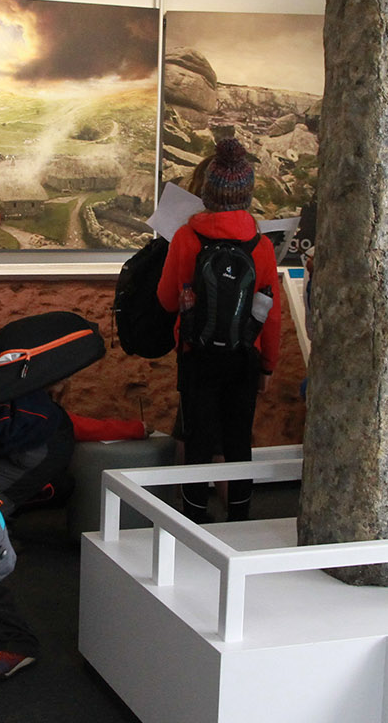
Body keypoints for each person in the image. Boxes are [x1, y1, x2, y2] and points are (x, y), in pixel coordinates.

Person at [157, 138, 282, 523]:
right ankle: (239, 518)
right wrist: (266, 367)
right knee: (238, 438)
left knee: (197, 437)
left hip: (197, 354)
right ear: (246, 194)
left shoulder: (186, 237)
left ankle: (193, 517)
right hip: (243, 357)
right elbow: (271, 313)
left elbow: (166, 300)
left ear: (208, 192)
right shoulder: (260, 245)